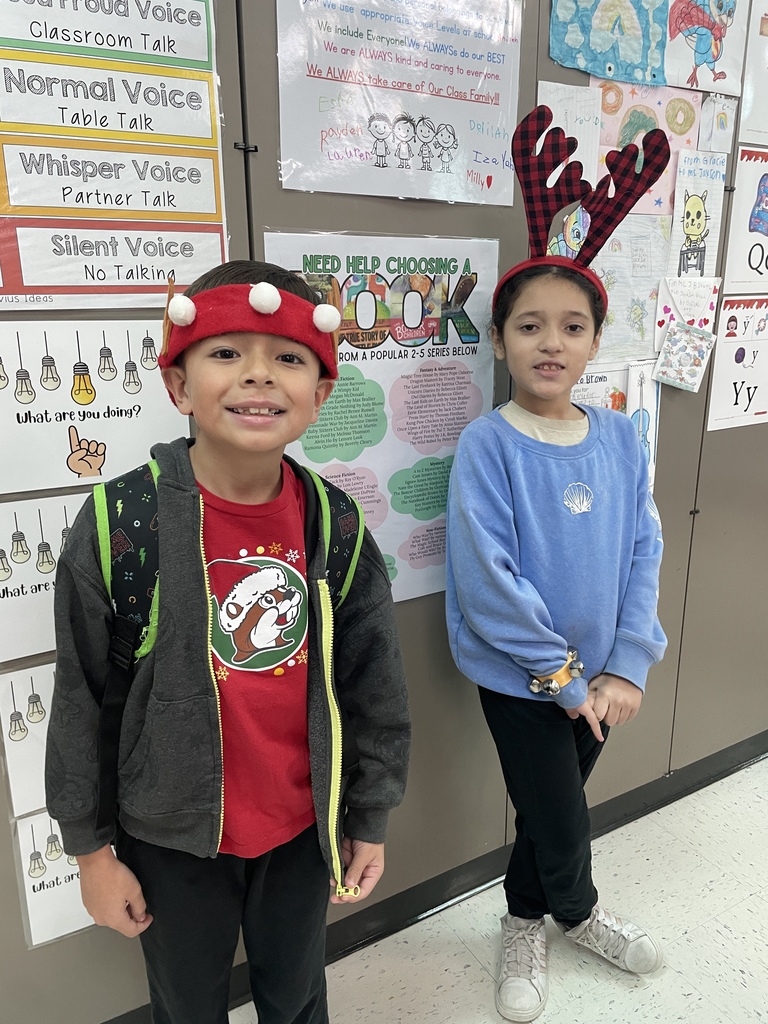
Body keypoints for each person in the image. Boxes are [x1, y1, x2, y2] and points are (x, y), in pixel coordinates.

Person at [45, 259, 411, 1024]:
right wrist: (90, 854)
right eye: (224, 354)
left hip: (302, 830)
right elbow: (79, 698)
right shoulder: (123, 524)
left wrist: (367, 815)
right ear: (178, 385)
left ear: (321, 393)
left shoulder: (335, 527)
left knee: (297, 995)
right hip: (170, 838)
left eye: (287, 357)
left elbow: (374, 684)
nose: (258, 377)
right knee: (186, 1006)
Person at [445, 257, 667, 1022]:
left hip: (604, 680)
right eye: (529, 325)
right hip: (522, 680)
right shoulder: (488, 444)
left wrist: (627, 666)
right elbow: (487, 580)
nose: (551, 343)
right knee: (562, 822)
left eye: (572, 327)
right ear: (500, 341)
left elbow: (645, 547)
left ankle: (523, 919)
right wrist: (565, 680)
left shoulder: (618, 438)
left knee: (550, 815)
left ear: (595, 342)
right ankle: (574, 914)